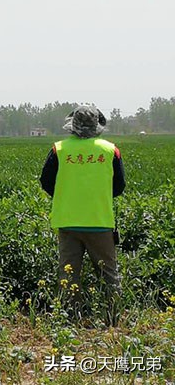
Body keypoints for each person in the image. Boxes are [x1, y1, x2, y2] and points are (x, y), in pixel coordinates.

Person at [39, 105, 126, 322]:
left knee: (68, 275)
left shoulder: (59, 149)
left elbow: (46, 182)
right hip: (100, 221)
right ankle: (112, 319)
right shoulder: (110, 150)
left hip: (68, 222)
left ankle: (70, 320)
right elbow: (120, 186)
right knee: (108, 274)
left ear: (73, 126)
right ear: (97, 126)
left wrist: (67, 197)